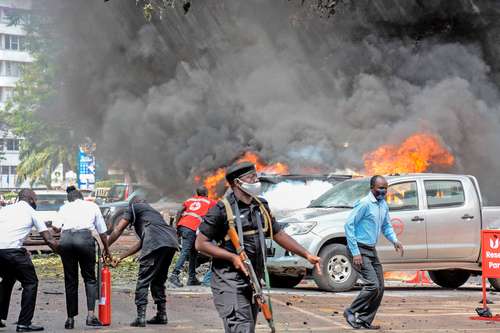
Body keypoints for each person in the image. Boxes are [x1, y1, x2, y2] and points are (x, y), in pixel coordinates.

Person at [195, 162, 321, 333]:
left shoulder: (261, 206)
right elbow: (201, 244)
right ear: (237, 183)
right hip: (229, 280)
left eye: (256, 176)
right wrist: (232, 257)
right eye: (251, 177)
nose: (256, 181)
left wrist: (307, 254)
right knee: (242, 326)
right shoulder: (221, 209)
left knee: (247, 326)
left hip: (254, 279)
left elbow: (278, 234)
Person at [108, 190, 178, 327]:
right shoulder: (153, 214)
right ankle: (161, 314)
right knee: (158, 280)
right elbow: (142, 243)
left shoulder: (134, 206)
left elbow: (118, 229)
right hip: (171, 242)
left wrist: (106, 247)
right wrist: (120, 257)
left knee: (143, 280)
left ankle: (140, 318)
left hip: (157, 242)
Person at [343, 175, 404, 330]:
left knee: (380, 287)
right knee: (372, 285)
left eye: (385, 188)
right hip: (360, 249)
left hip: (371, 249)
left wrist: (395, 241)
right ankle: (351, 311)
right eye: (380, 188)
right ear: (372, 188)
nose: (383, 191)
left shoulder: (383, 205)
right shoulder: (364, 204)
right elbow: (348, 226)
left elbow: (386, 226)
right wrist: (355, 252)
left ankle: (364, 319)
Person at [51, 186, 111, 329]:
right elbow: (102, 231)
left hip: (66, 241)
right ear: (81, 197)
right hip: (84, 240)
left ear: (69, 199)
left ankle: (70, 319)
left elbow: (55, 227)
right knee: (90, 278)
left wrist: (62, 227)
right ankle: (90, 316)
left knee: (70, 280)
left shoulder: (64, 207)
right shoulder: (92, 206)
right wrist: (107, 249)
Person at [0, 189, 59, 332]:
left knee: (8, 280)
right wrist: (65, 253)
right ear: (31, 199)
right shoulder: (32, 212)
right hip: (13, 253)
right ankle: (24, 323)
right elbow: (49, 239)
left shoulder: (5, 210)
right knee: (31, 282)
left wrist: (19, 246)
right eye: (36, 199)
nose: (36, 202)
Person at [169, 186, 216, 287]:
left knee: (193, 253)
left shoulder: (190, 200)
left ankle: (191, 278)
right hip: (192, 228)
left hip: (183, 226)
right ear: (207, 193)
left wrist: (177, 226)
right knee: (185, 251)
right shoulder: (210, 201)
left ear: (197, 193)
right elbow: (216, 214)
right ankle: (174, 275)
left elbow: (179, 211)